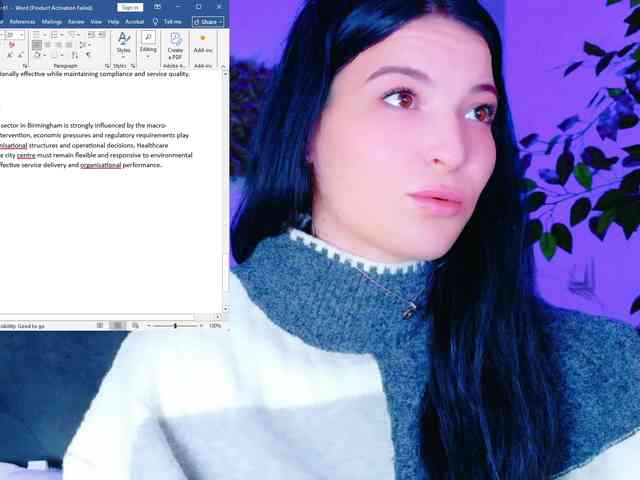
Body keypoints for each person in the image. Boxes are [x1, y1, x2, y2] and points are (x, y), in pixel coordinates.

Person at [62, 1, 640, 479]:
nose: (453, 149)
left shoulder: (601, 367)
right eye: (401, 97)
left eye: (479, 112)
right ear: (308, 128)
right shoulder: (181, 359)